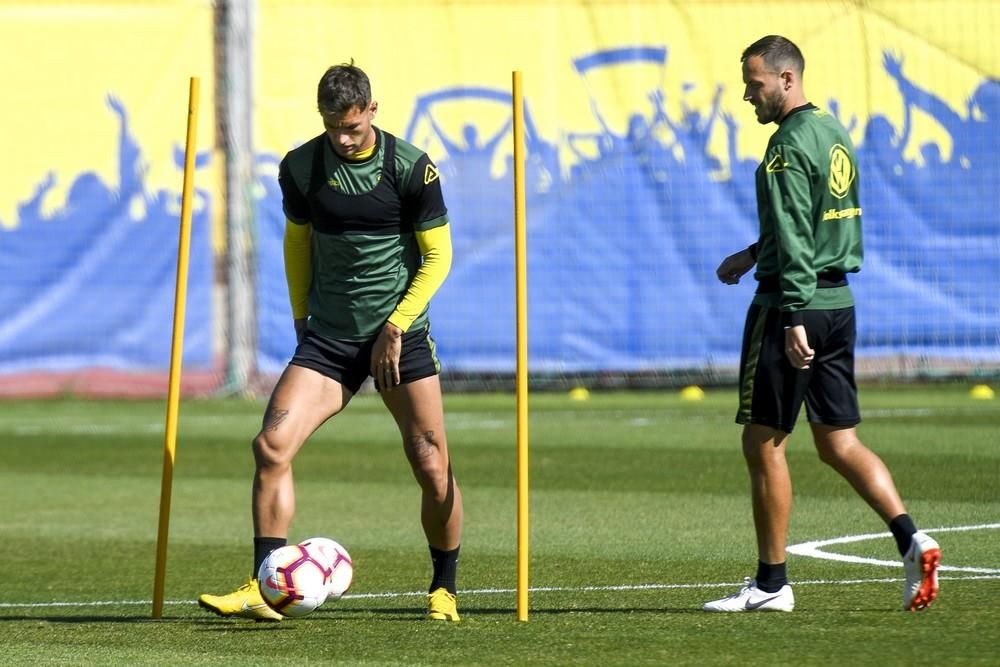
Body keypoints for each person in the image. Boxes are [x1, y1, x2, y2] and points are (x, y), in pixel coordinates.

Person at [198, 62, 463, 622]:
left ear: (372, 111)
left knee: (431, 464)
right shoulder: (300, 168)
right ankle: (265, 585)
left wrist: (395, 327)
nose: (342, 139)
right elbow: (297, 244)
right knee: (271, 446)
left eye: (352, 127)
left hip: (400, 337)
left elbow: (439, 257)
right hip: (329, 339)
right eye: (332, 127)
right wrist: (302, 318)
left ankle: (444, 588)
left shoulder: (411, 168)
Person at [705, 35, 940, 613]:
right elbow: (809, 221)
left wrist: (790, 314)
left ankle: (771, 585)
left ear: (787, 79)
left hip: (793, 305)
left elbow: (794, 233)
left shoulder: (785, 145)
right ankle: (911, 539)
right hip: (838, 303)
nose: (747, 96)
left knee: (763, 442)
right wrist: (752, 253)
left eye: (755, 84)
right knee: (839, 442)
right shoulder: (833, 130)